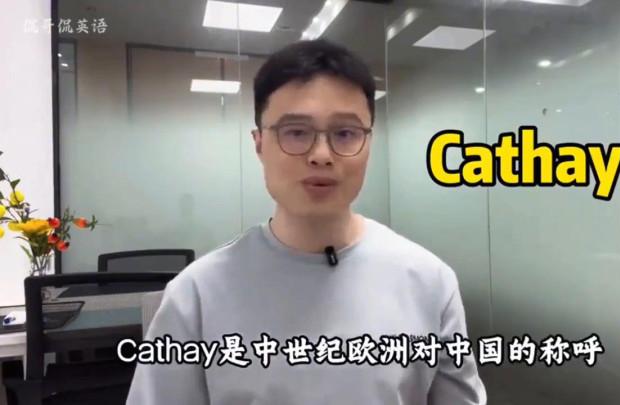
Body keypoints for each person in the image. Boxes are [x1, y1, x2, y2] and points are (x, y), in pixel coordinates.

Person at [126, 39, 487, 405]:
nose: (321, 155)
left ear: (369, 144)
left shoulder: (428, 281)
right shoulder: (197, 295)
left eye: (345, 133)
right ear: (259, 144)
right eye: (296, 132)